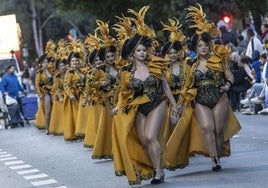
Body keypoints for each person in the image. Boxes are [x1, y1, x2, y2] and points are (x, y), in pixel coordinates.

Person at [164, 3, 241, 173]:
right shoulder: (190, 64)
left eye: (206, 45)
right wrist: (179, 107)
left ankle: (217, 155)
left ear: (210, 46)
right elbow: (186, 86)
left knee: (219, 130)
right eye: (200, 45)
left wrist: (227, 85)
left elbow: (230, 77)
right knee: (207, 127)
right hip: (200, 100)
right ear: (196, 48)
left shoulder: (219, 60)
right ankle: (214, 160)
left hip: (218, 98)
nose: (204, 48)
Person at [111, 6, 180, 185]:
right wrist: (118, 106)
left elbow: (165, 87)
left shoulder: (155, 65)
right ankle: (159, 167)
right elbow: (123, 92)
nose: (142, 53)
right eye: (139, 51)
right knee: (144, 141)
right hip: (138, 108)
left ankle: (157, 172)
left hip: (157, 103)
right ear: (132, 53)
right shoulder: (125, 71)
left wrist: (175, 106)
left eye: (144, 50)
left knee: (150, 136)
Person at [35, 54, 54, 134]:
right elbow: (37, 84)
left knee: (56, 107)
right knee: (48, 111)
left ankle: (55, 126)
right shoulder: (39, 72)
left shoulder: (51, 70)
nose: (46, 64)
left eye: (47, 62)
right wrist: (40, 94)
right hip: (45, 92)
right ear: (41, 64)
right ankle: (47, 128)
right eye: (44, 63)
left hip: (53, 91)